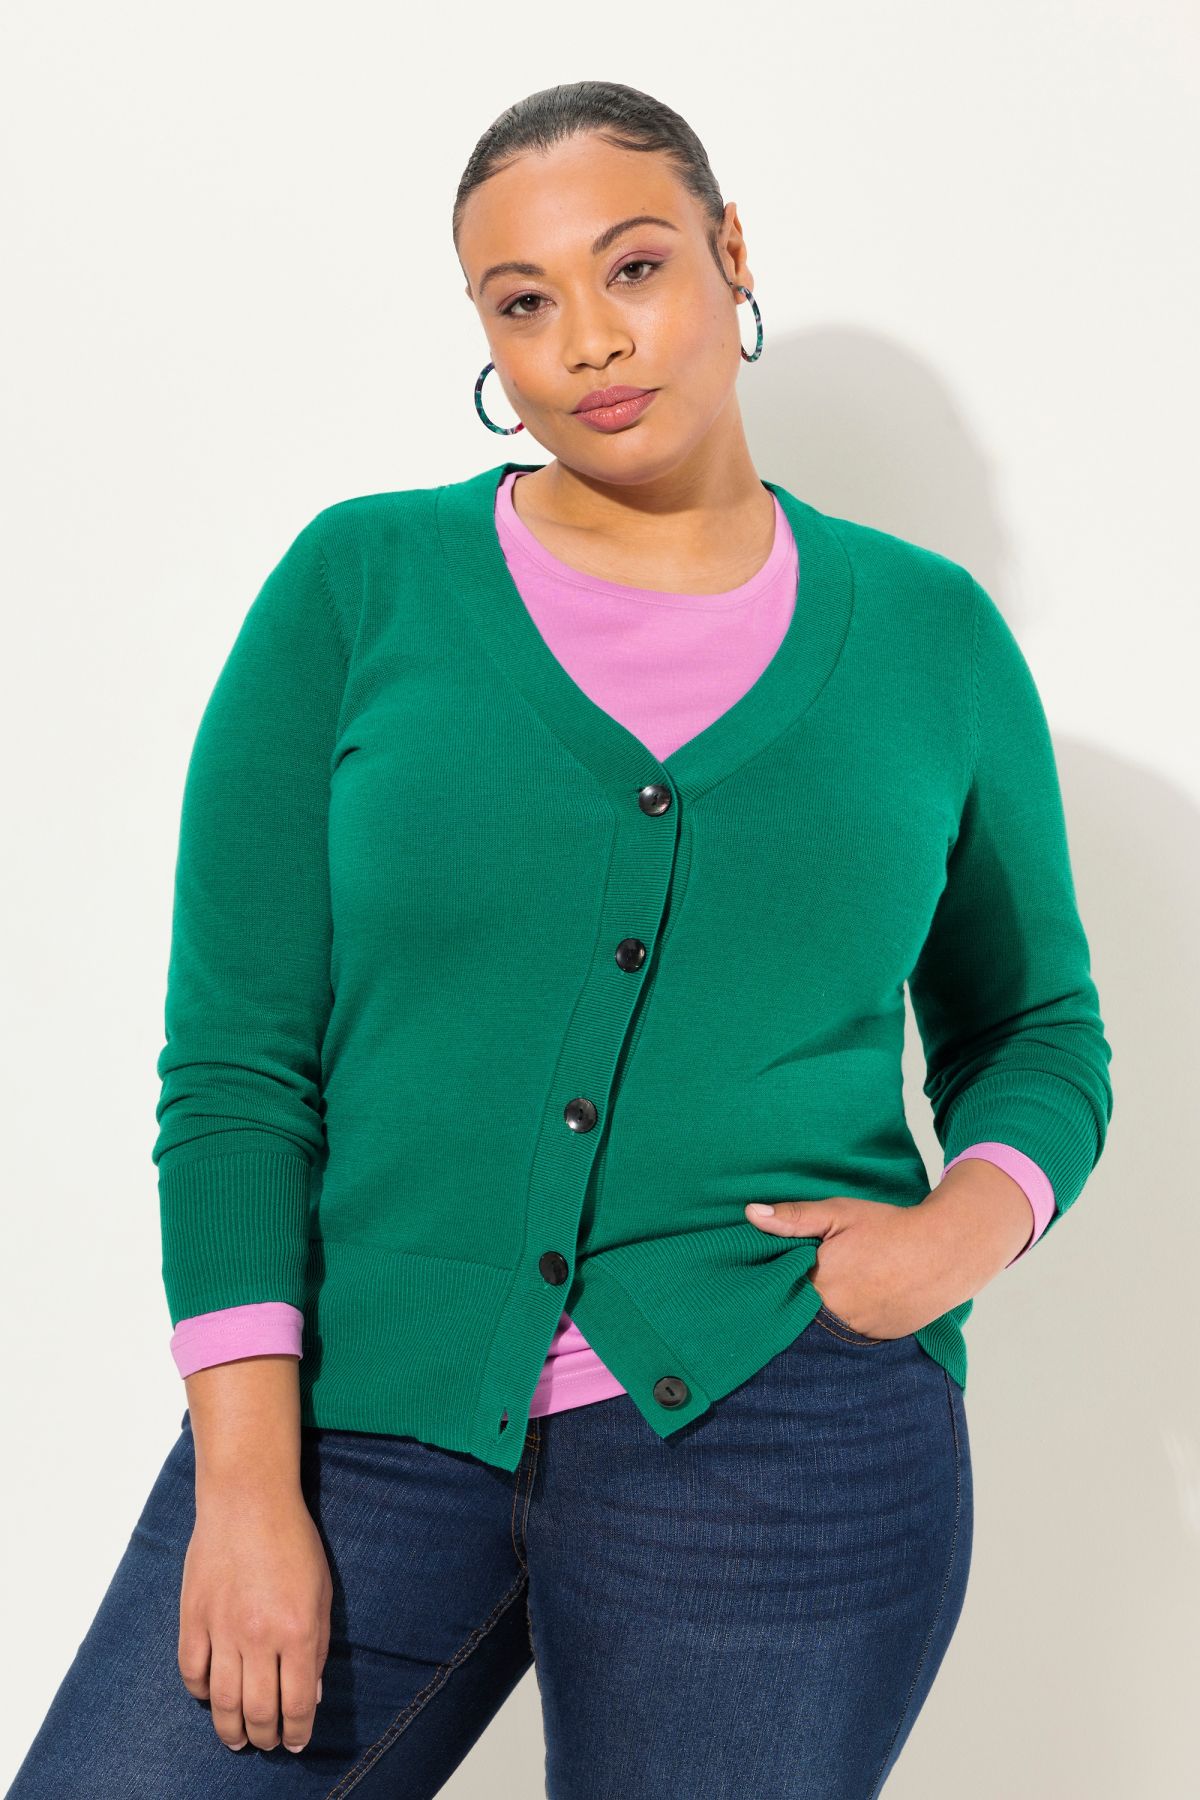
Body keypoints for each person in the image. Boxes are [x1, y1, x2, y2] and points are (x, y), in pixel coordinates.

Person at [8, 79, 1113, 1800]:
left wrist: (952, 1239)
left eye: (635, 267)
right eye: (523, 302)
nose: (587, 340)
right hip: (367, 1418)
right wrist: (244, 1486)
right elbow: (236, 1070)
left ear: (731, 253)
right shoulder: (359, 588)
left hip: (782, 1423)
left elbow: (1034, 1026)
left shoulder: (930, 638)